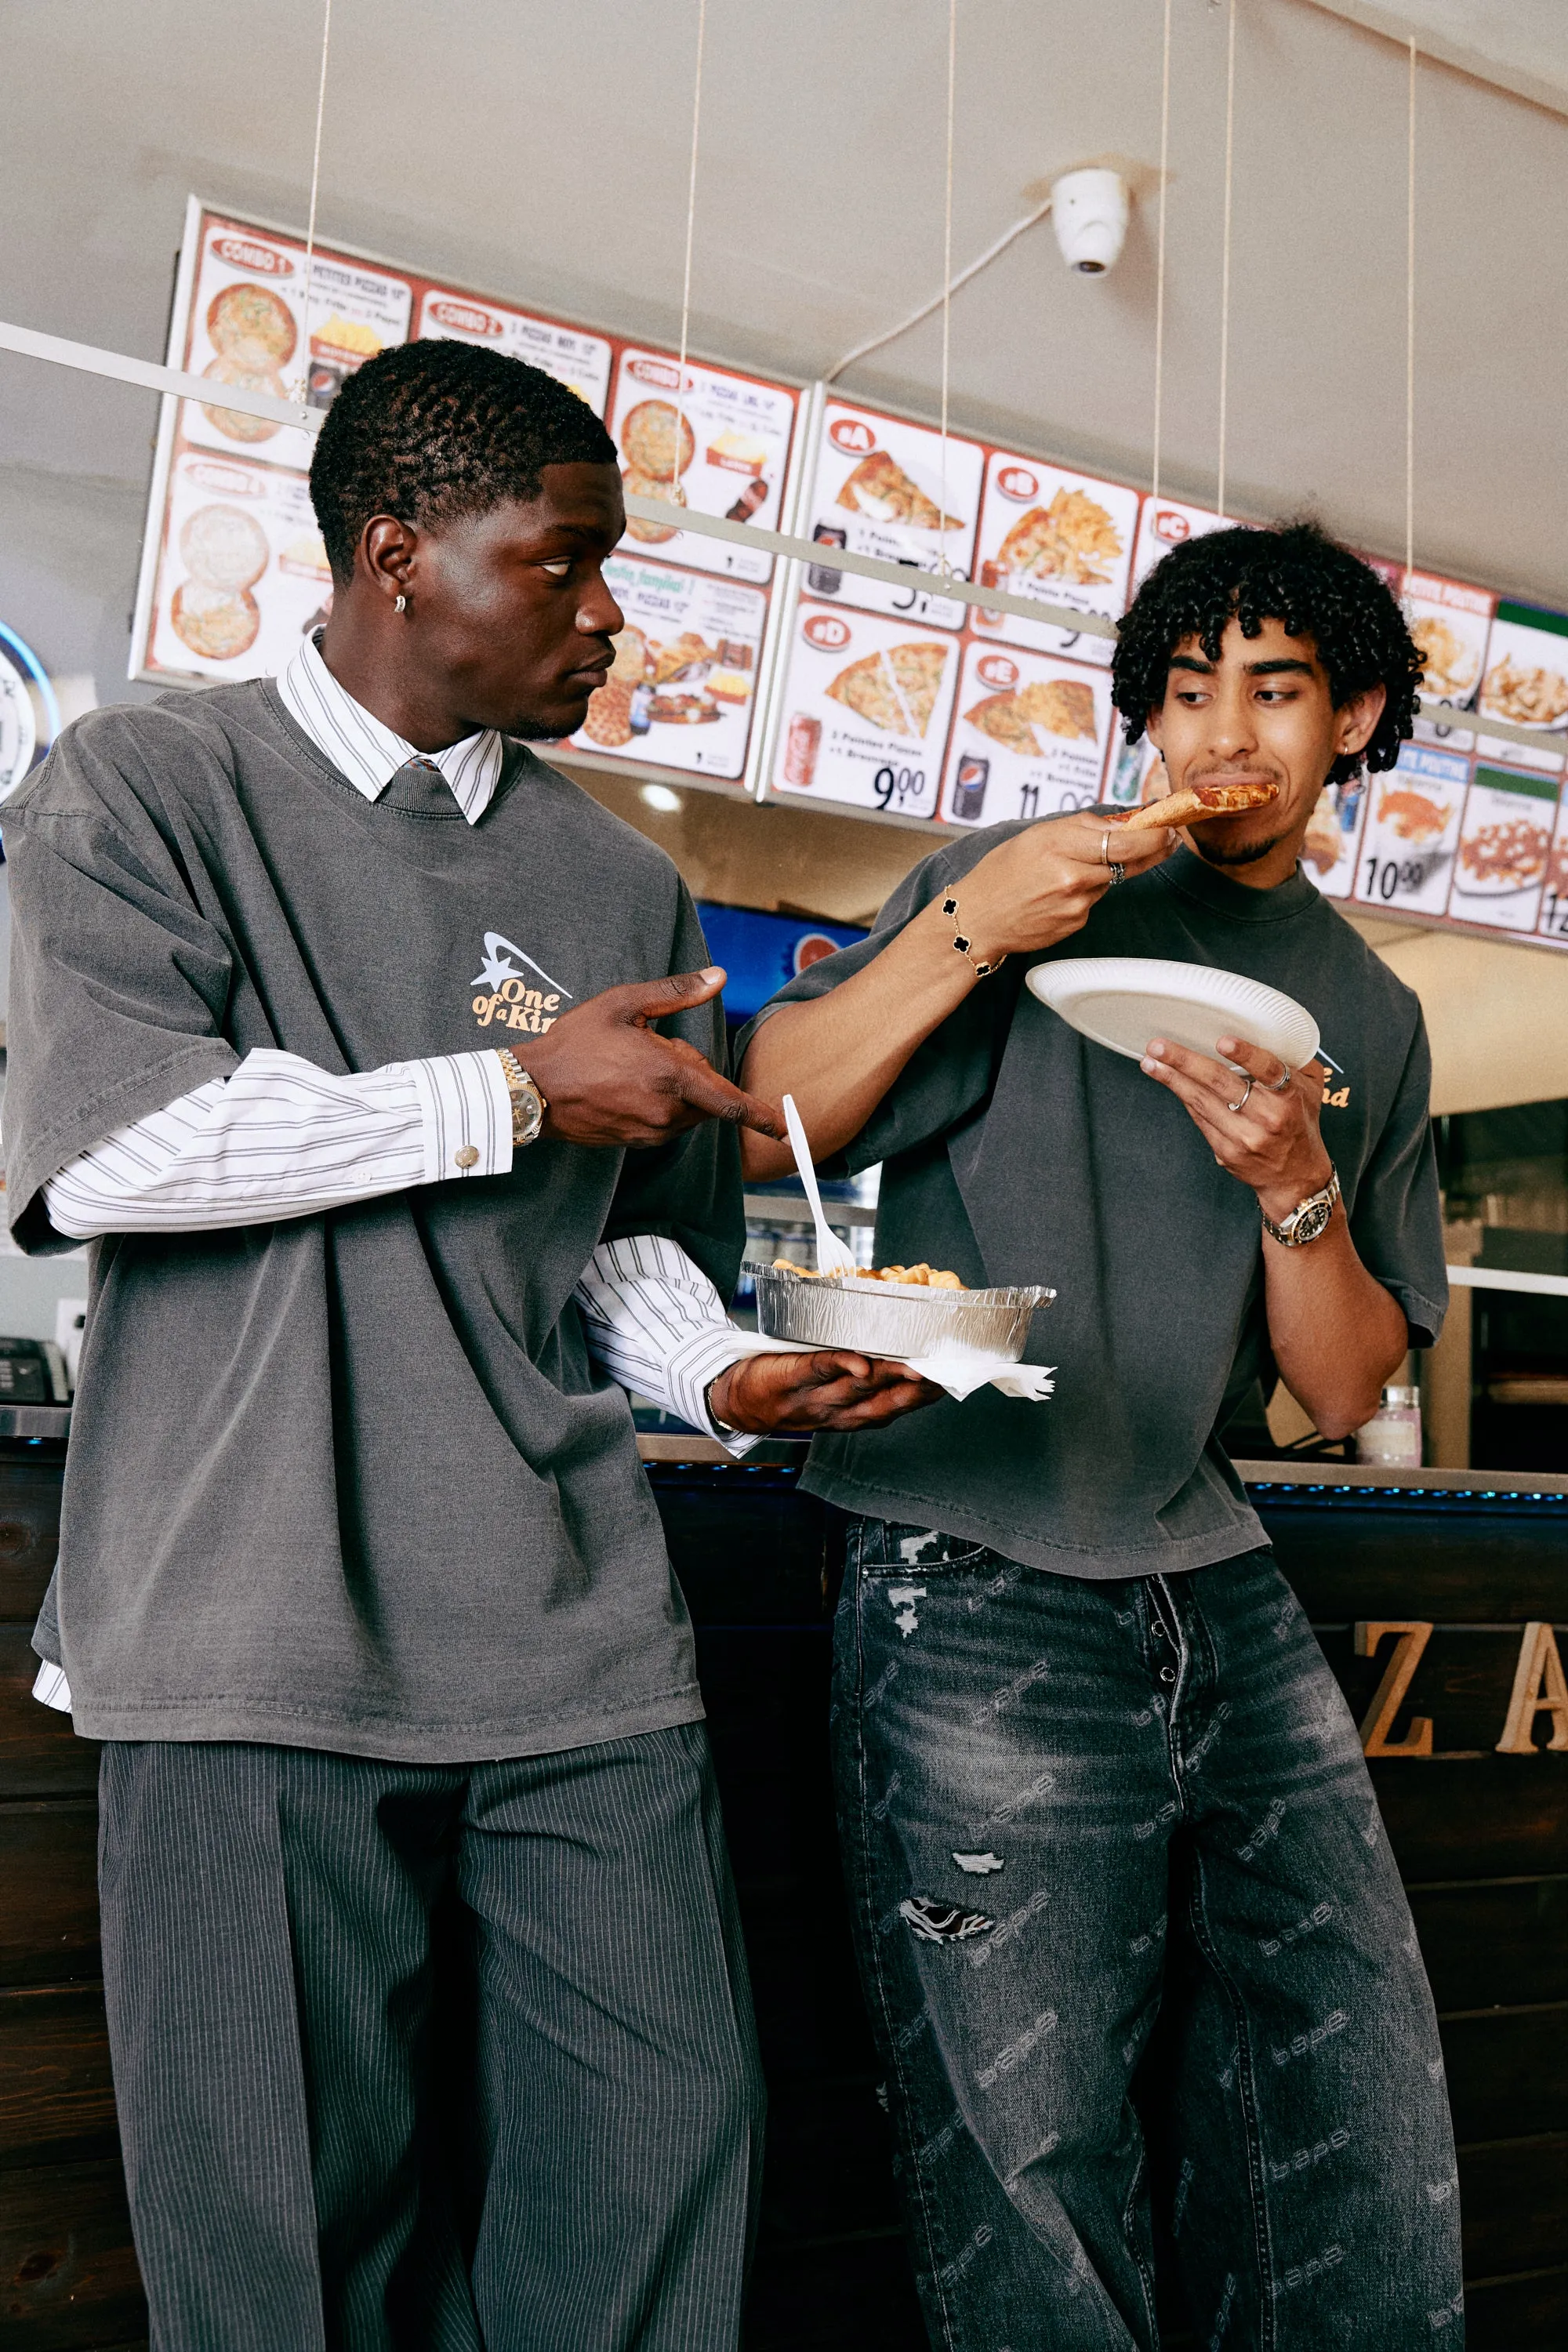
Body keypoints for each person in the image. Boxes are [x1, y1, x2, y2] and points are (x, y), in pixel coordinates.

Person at [5, 337, 934, 2352]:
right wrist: (510, 1093)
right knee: (287, 2271)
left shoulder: (616, 874)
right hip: (247, 1625)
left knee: (655, 2195)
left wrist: (724, 1376)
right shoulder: (144, 784)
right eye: (568, 562)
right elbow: (113, 1156)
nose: (612, 617)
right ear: (401, 554)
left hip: (568, 1635)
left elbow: (613, 1265)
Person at [738, 523, 1463, 2348]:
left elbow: (1346, 1383)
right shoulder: (1027, 888)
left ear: (1351, 716)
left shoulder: (1364, 1012)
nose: (1221, 730)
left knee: (1354, 2106)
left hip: (1208, 1566)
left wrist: (1296, 1183)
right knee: (1026, 2142)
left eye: (1274, 690)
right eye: (1186, 692)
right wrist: (974, 927)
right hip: (969, 1556)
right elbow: (771, 1118)